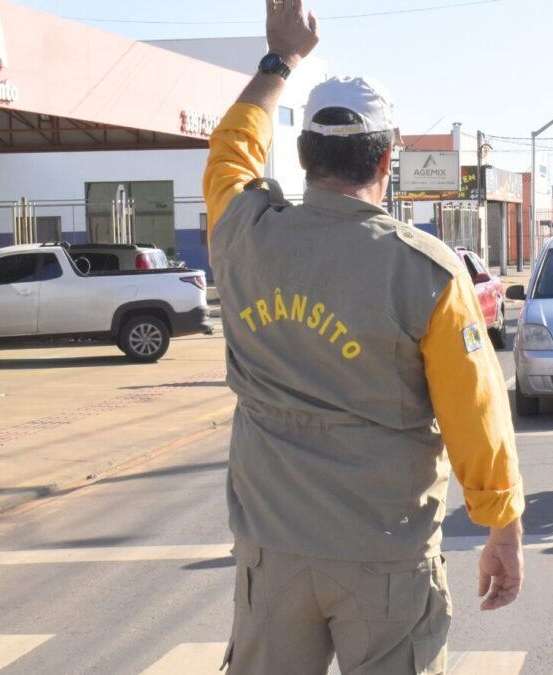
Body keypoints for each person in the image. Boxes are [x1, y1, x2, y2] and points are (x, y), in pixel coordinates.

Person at [202, 3, 524, 673]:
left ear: (303, 153)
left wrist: (279, 60)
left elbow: (231, 146)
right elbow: (475, 415)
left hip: (271, 554)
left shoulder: (242, 232)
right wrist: (502, 521)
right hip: (385, 558)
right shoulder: (425, 271)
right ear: (387, 156)